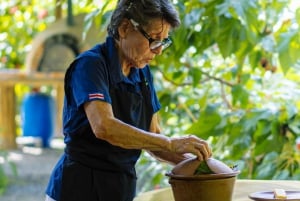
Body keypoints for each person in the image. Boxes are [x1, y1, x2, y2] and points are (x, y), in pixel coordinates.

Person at [45, 0, 212, 200]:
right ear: (125, 28)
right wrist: (169, 143)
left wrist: (204, 165)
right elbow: (104, 127)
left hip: (119, 189)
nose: (158, 50)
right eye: (154, 39)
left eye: (164, 41)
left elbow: (154, 139)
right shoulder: (91, 65)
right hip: (79, 188)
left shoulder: (142, 73)